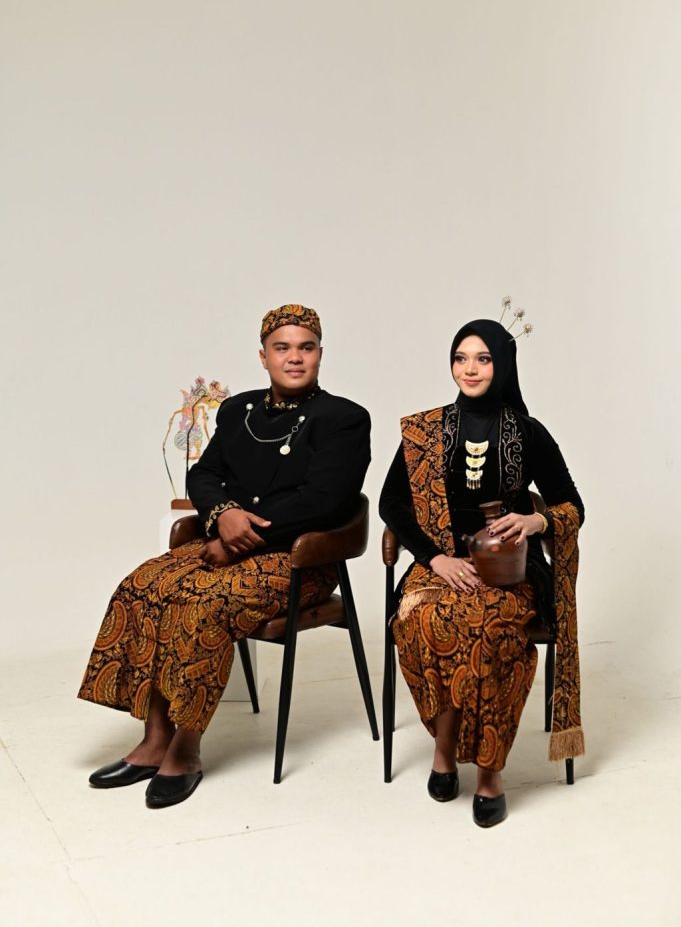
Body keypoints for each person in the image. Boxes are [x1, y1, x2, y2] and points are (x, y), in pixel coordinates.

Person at [79, 304, 371, 808]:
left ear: (321, 354)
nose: (294, 358)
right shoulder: (240, 411)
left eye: (306, 348)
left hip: (299, 560)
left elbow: (325, 501)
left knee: (201, 604)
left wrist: (237, 535)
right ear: (263, 357)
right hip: (223, 543)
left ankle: (186, 748)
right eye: (282, 348)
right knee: (141, 585)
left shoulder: (344, 419)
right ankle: (154, 740)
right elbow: (204, 474)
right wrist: (222, 513)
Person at [379, 317, 584, 827]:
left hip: (507, 569)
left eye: (483, 359)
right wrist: (436, 559)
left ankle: (491, 771)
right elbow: (391, 503)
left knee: (490, 629)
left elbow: (571, 504)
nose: (469, 369)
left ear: (503, 365)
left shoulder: (527, 432)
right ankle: (444, 748)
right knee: (420, 620)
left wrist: (536, 521)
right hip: (440, 566)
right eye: (461, 358)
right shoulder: (426, 431)